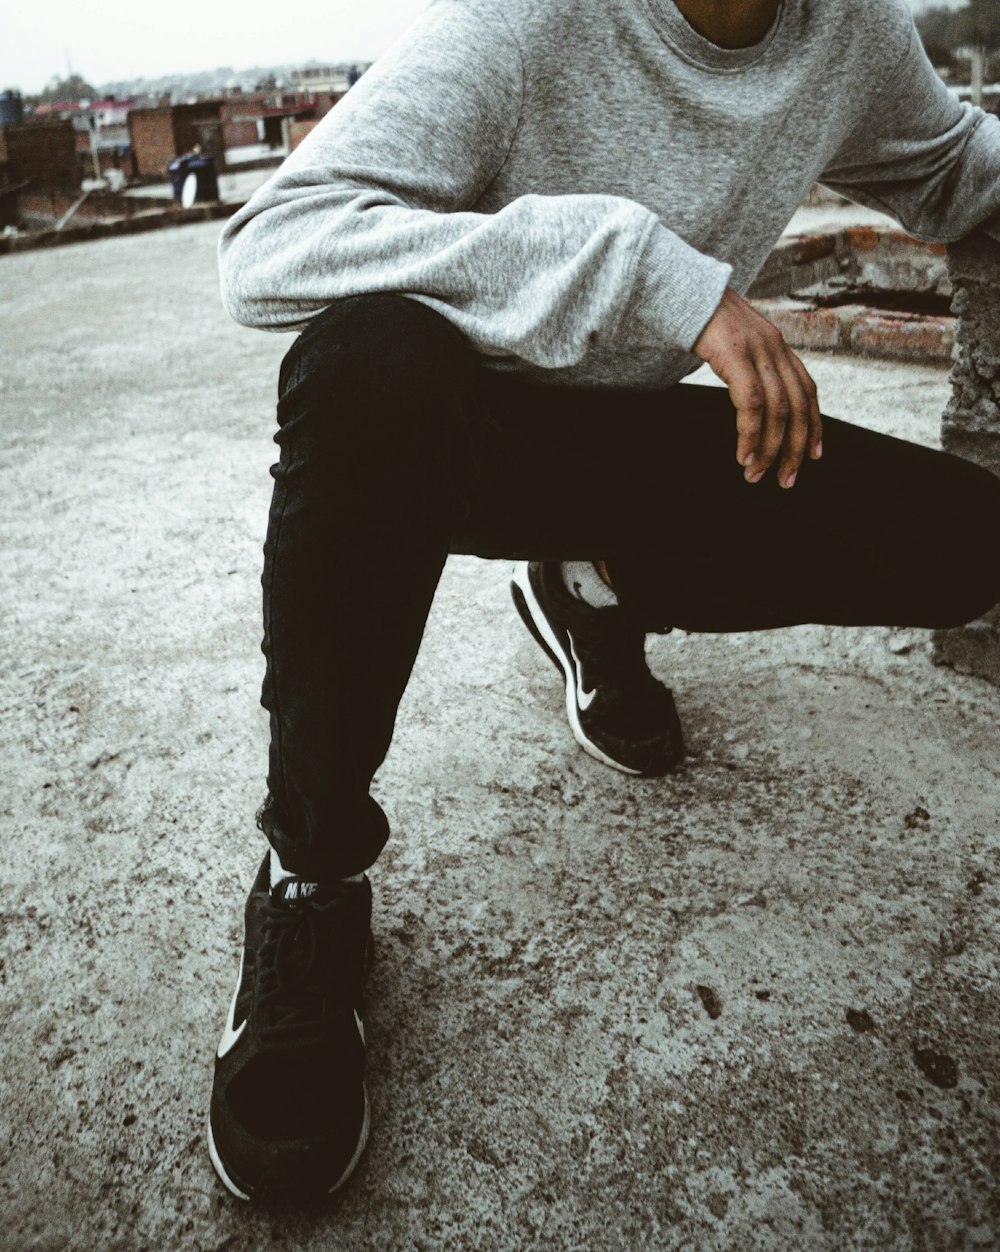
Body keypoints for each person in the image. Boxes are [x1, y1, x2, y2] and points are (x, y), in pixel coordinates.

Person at [208, 0, 1000, 1201]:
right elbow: (272, 241)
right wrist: (644, 268)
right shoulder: (522, 24)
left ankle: (593, 586)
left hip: (643, 443)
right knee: (362, 364)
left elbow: (952, 171)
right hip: (458, 434)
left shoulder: (844, 31)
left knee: (966, 546)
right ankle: (310, 875)